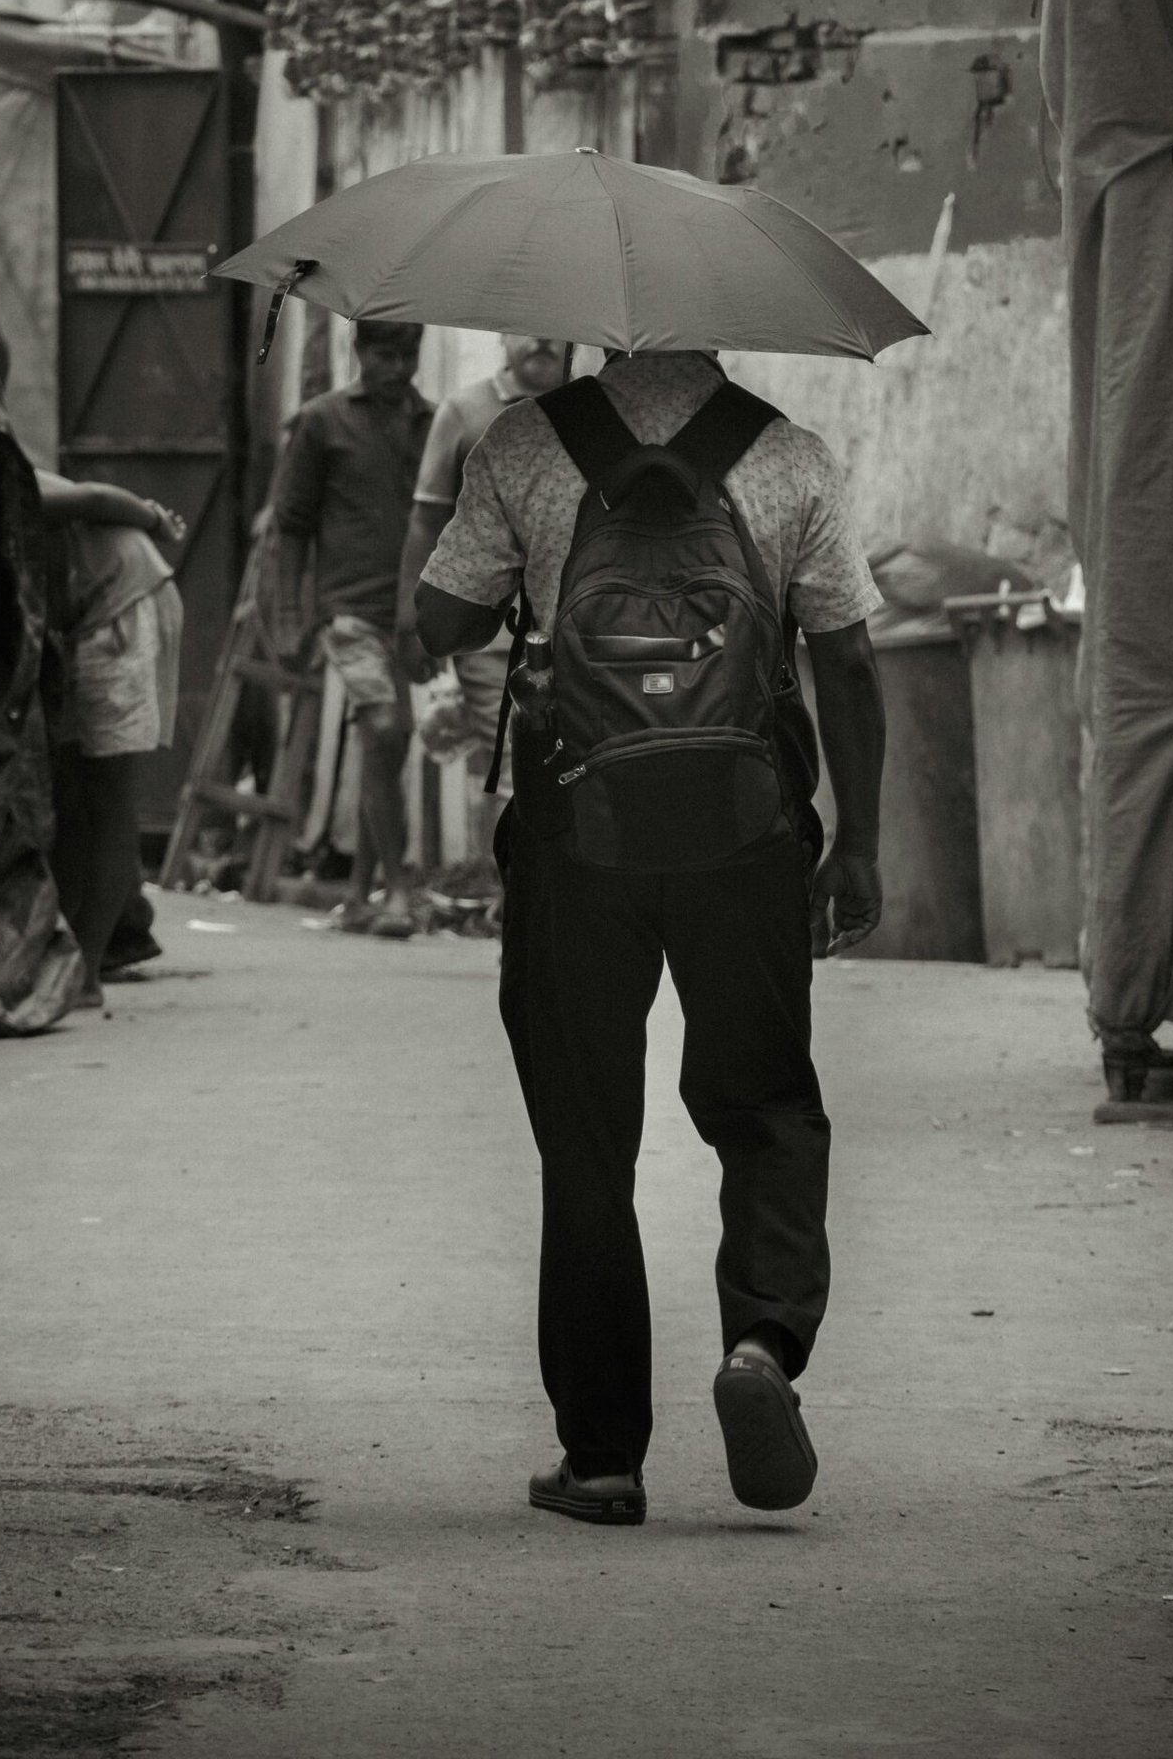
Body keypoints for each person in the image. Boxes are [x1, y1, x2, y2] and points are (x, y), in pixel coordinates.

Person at [415, 348, 884, 1526]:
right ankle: (763, 1348)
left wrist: (507, 552)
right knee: (766, 1103)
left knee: (585, 1140)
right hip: (746, 832)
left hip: (581, 833)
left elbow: (436, 618)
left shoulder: (524, 443)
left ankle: (602, 1457)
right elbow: (848, 656)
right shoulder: (788, 454)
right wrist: (859, 843)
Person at [276, 321, 433, 939]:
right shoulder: (322, 422)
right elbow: (291, 523)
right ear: (359, 352)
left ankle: (360, 892)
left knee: (387, 744)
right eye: (385, 354)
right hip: (346, 608)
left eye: (409, 354)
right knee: (387, 726)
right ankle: (395, 890)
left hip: (411, 615)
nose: (398, 367)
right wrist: (288, 616)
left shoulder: (433, 422)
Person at [395, 336, 569, 840]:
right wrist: (411, 621)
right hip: (494, 630)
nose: (539, 340)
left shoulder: (596, 411)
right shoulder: (467, 411)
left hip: (580, 628)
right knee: (517, 765)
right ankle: (512, 903)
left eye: (552, 328)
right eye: (526, 328)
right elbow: (426, 519)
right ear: (502, 335)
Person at [37, 472, 186, 1009]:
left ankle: (91, 968)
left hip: (124, 608)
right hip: (92, 614)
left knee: (106, 792)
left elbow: (96, 498)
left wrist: (152, 516)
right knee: (75, 793)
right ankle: (80, 954)